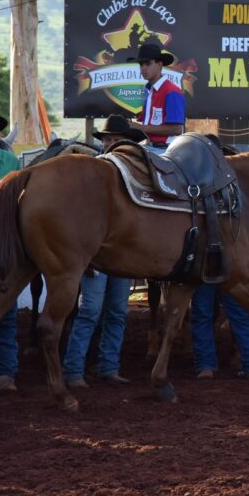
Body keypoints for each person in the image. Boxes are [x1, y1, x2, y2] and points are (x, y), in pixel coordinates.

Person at [61, 115, 148, 388]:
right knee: (91, 311)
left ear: (125, 143)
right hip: (98, 256)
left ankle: (106, 366)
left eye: (114, 139)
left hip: (121, 255)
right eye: (107, 139)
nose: (110, 143)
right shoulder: (93, 173)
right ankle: (75, 370)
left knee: (116, 312)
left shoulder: (132, 175)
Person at [0, 104, 21, 392]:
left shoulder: (9, 162)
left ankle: (6, 373)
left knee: (7, 311)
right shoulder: (8, 163)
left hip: (2, 247)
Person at [190, 284, 249, 380]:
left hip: (230, 273)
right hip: (203, 273)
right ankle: (205, 365)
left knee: (240, 313)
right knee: (202, 312)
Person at [127, 37, 185, 148]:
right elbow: (147, 123)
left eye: (148, 64)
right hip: (150, 147)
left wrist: (140, 127)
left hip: (168, 150)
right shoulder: (149, 90)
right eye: (141, 64)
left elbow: (177, 129)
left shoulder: (172, 91)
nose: (143, 68)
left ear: (159, 65)